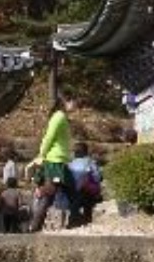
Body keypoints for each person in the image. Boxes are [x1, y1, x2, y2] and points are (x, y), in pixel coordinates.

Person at [27, 91, 79, 229]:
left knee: (67, 193)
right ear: (66, 101)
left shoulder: (61, 117)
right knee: (54, 193)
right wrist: (41, 155)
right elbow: (48, 137)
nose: (76, 105)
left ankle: (74, 222)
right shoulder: (59, 116)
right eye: (74, 101)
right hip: (55, 162)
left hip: (60, 161)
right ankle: (35, 225)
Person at [68, 142, 102, 226]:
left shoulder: (70, 164)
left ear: (74, 153)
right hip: (86, 192)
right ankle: (87, 220)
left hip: (71, 192)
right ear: (86, 152)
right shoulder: (90, 162)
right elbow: (97, 177)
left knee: (74, 206)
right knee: (88, 205)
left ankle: (73, 221)